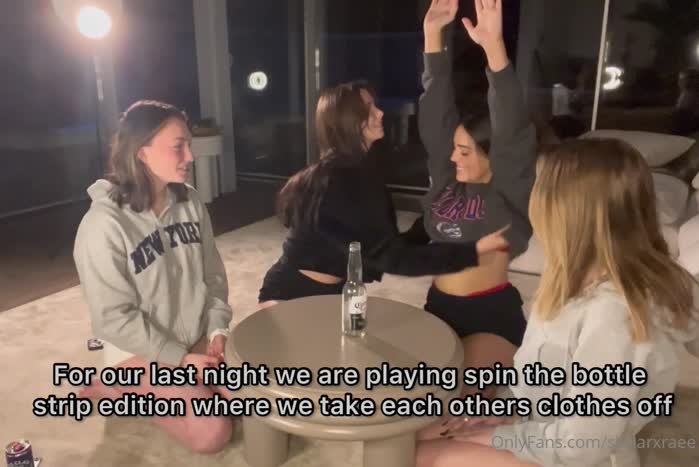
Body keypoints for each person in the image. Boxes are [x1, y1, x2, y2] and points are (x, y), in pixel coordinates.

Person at [416, 138, 699, 467]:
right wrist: (505, 413)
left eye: (537, 190)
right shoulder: (574, 277)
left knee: (409, 454)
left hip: (572, 456)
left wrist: (499, 435)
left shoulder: (612, 314)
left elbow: (581, 446)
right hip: (538, 423)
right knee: (407, 430)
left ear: (565, 210)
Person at [257, 80, 510, 307]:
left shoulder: (356, 168)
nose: (380, 113)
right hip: (292, 293)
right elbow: (393, 259)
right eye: (368, 108)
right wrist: (473, 252)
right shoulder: (341, 179)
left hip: (332, 292)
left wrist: (433, 219)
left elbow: (384, 245)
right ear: (348, 121)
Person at [73, 100, 234, 453]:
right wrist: (179, 359)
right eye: (179, 146)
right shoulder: (102, 226)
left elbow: (214, 276)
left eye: (189, 144)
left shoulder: (191, 202)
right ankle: (115, 386)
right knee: (212, 433)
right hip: (139, 351)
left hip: (194, 337)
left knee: (255, 399)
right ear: (142, 152)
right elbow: (112, 318)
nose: (190, 156)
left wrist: (217, 329)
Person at [418, 0, 535, 400]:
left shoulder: (509, 192)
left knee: (444, 406)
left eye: (466, 151)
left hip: (489, 316)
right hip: (437, 307)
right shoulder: (448, 182)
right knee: (400, 401)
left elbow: (512, 127)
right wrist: (432, 36)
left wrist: (494, 48)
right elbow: (435, 116)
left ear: (493, 156)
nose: (454, 158)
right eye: (455, 149)